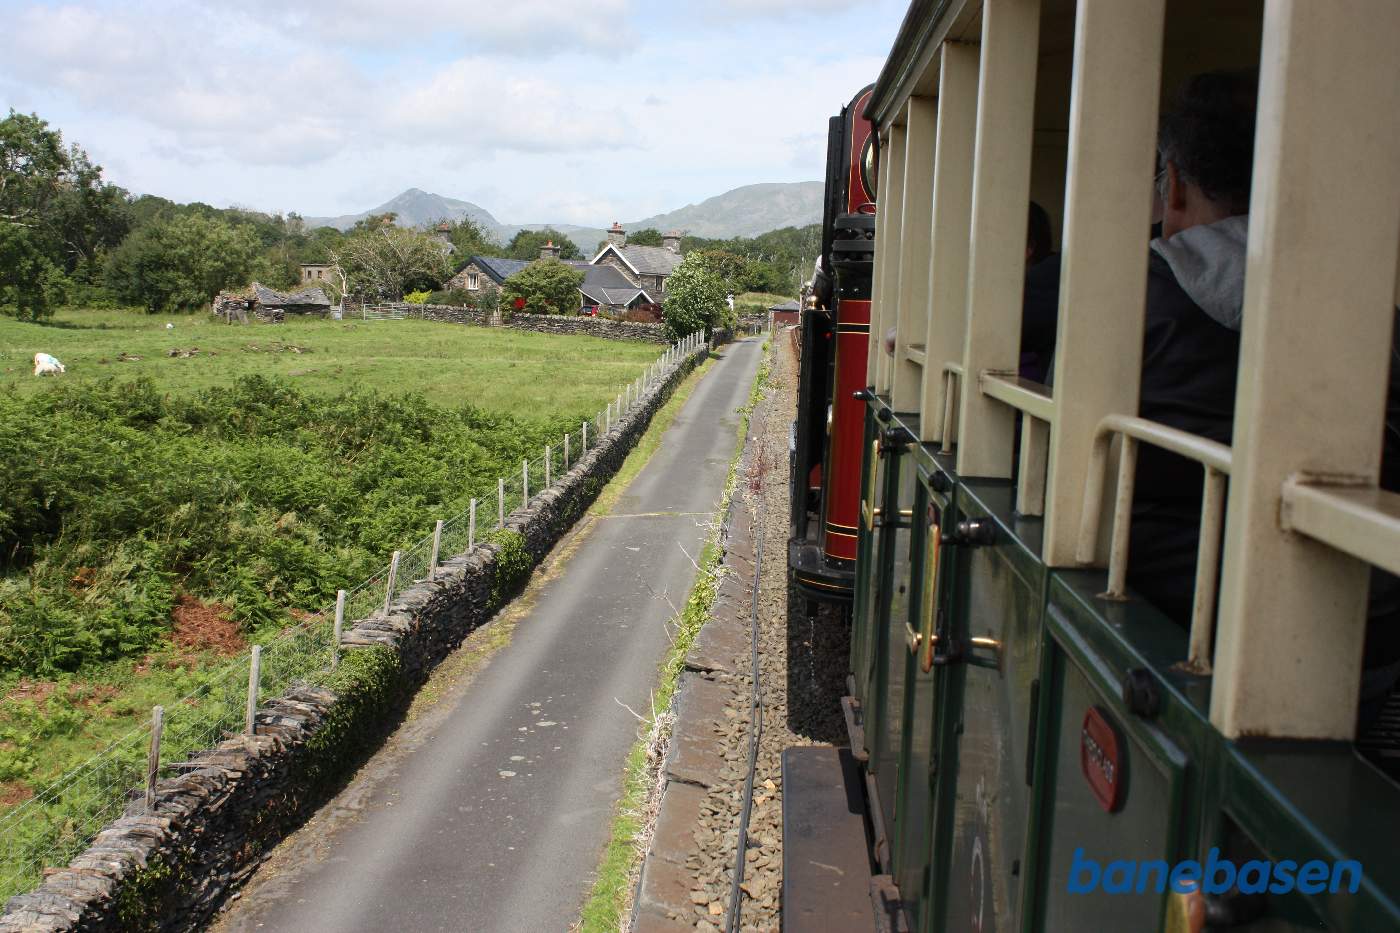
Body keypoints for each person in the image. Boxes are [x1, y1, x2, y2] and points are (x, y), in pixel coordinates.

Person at [1127, 70, 1400, 722]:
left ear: (1177, 181)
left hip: (1181, 618)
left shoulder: (1137, 290)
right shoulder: (1365, 301)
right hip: (1367, 630)